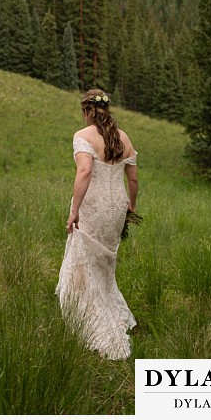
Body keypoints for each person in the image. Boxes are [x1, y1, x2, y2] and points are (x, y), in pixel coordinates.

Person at [55, 89, 138, 360]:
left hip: (93, 205)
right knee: (105, 261)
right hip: (116, 208)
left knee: (86, 258)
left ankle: (89, 317)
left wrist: (75, 210)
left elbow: (85, 171)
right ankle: (107, 309)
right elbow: (133, 179)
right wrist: (131, 206)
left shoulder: (83, 136)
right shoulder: (123, 137)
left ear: (86, 110)